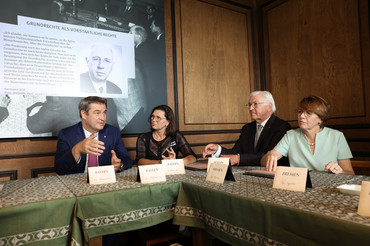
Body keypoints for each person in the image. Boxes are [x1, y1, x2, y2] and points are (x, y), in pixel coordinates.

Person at [262, 96, 355, 174]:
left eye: (308, 113)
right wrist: (271, 155)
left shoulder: (337, 136)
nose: (301, 116)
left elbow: (350, 172)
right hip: (299, 186)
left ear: (321, 119)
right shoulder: (291, 135)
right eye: (299, 112)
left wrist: (339, 171)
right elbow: (273, 155)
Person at [202, 91, 291, 166]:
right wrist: (218, 149)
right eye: (249, 105)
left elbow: (268, 156)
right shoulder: (247, 128)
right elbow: (235, 152)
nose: (251, 108)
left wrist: (238, 159)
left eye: (255, 104)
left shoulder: (281, 127)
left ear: (269, 106)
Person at [54, 96, 132, 175]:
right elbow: (60, 169)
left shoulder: (112, 132)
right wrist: (77, 150)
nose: (102, 118)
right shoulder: (66, 134)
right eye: (97, 113)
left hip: (105, 180)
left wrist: (119, 165)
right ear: (84, 114)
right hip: (77, 183)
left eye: (104, 112)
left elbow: (127, 159)